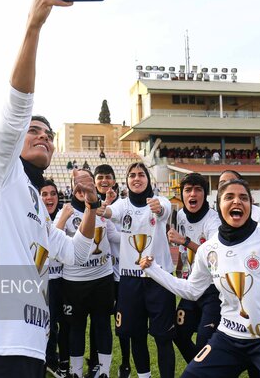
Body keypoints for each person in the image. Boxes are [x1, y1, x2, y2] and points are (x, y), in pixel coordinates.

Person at [0, 0, 100, 378]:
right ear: (16, 142)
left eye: (49, 136)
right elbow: (18, 109)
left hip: (30, 348)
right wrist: (33, 27)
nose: (44, 138)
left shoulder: (35, 199)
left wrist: (90, 207)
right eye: (35, 132)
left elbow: (77, 254)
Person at [140, 179, 260, 378]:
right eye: (229, 197)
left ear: (250, 205)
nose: (237, 202)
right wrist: (153, 270)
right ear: (219, 205)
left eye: (243, 198)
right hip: (229, 338)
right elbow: (192, 290)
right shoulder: (209, 249)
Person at [100, 162, 176, 378]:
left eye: (141, 175)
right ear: (127, 181)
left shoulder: (158, 200)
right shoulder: (123, 205)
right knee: (136, 335)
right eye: (132, 175)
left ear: (148, 179)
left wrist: (159, 208)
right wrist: (99, 203)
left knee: (163, 337)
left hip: (160, 280)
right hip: (130, 280)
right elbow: (107, 211)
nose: (136, 178)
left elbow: (164, 210)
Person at [55, 169, 118, 378]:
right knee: (76, 328)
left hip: (102, 278)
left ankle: (104, 372)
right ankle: (75, 372)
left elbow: (114, 237)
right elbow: (53, 243)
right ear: (72, 185)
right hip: (74, 282)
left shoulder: (103, 210)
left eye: (87, 181)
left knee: (102, 325)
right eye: (78, 182)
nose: (83, 186)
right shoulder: (65, 211)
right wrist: (63, 218)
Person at [166, 173, 221, 363]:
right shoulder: (180, 215)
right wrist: (180, 269)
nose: (192, 194)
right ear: (182, 194)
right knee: (178, 333)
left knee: (204, 343)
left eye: (198, 189)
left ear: (205, 194)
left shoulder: (214, 220)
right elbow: (183, 251)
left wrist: (185, 241)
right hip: (192, 287)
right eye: (188, 190)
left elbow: (214, 256)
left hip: (213, 289)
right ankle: (199, 371)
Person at [93, 164, 131, 378]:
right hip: (103, 274)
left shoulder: (124, 205)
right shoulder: (90, 204)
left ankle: (125, 364)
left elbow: (116, 236)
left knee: (122, 322)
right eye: (100, 177)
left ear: (114, 181)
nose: (104, 181)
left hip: (123, 274)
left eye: (108, 177)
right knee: (99, 320)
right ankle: (96, 363)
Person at [41, 179, 71, 378]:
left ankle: (64, 362)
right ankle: (50, 360)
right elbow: (51, 247)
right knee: (49, 324)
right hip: (46, 280)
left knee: (67, 323)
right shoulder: (34, 217)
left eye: (53, 193)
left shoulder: (64, 214)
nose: (49, 197)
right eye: (44, 194)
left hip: (65, 278)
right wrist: (62, 220)